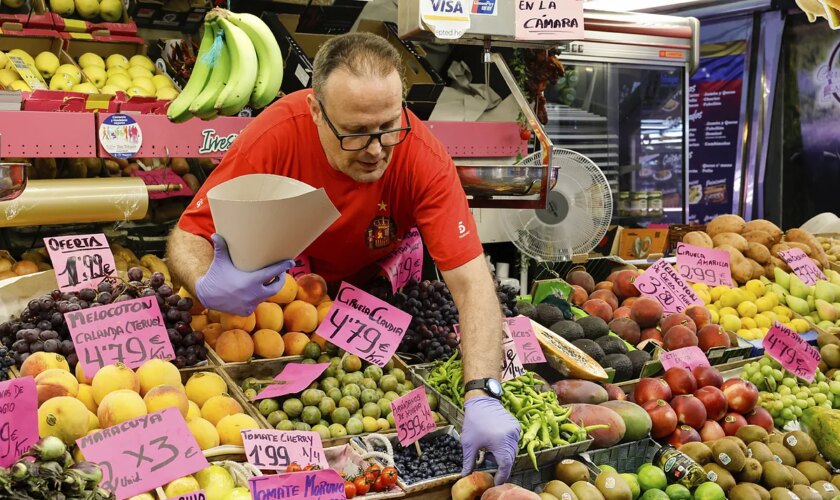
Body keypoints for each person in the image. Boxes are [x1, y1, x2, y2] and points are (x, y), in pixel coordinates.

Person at [167, 32, 520, 483]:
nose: (375, 149)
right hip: (286, 291)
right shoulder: (278, 132)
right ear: (316, 110)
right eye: (354, 133)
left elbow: (473, 284)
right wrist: (204, 283)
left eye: (389, 126)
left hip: (371, 292)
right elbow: (188, 233)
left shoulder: (422, 155)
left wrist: (482, 393)